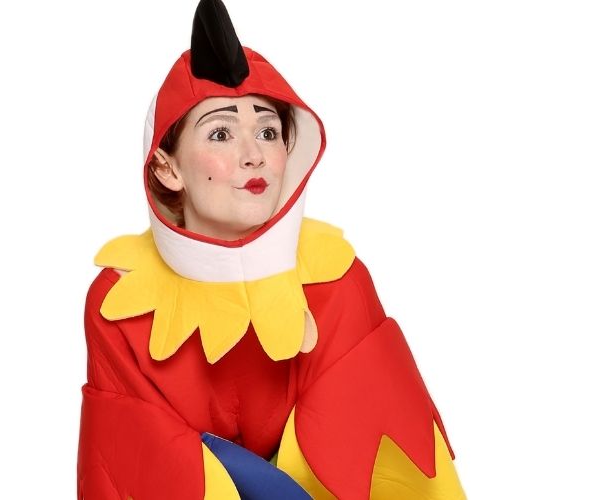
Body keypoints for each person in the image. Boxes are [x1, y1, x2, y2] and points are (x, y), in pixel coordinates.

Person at [76, 1, 467, 498]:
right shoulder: (119, 304)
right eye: (221, 133)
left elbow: (387, 465)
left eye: (268, 132)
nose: (254, 156)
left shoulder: (335, 279)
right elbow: (136, 468)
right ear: (166, 168)